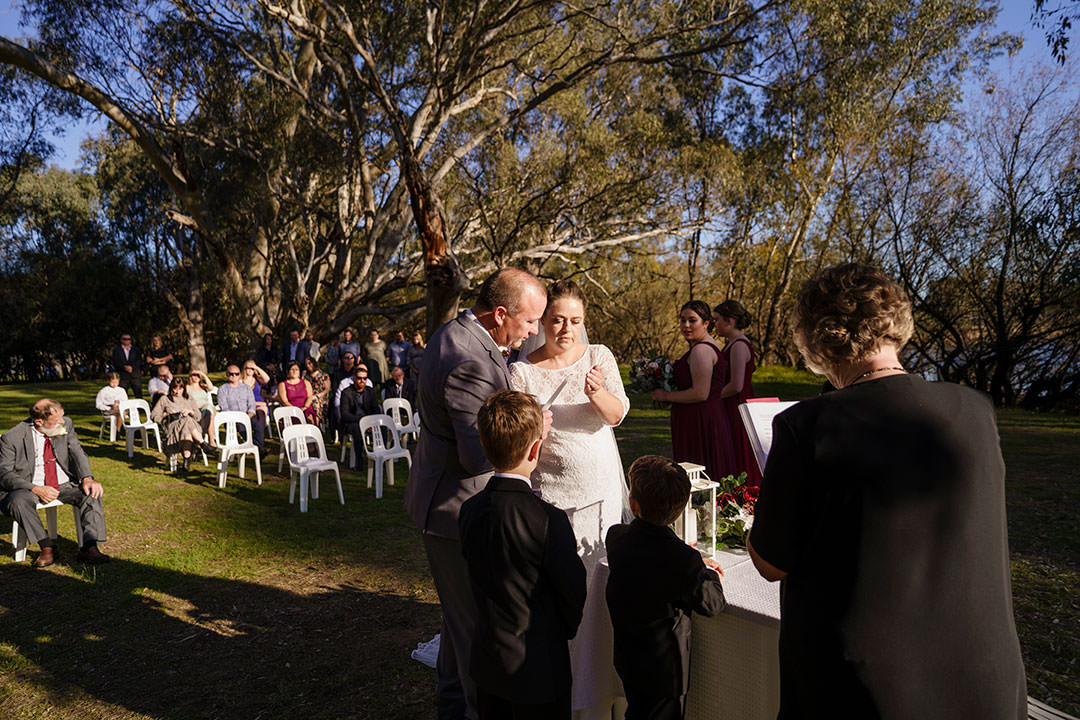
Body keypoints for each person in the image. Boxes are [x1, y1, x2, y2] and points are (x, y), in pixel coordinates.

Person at [747, 263, 1027, 718]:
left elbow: (770, 562)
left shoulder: (807, 424)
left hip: (863, 687)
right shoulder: (976, 410)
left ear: (817, 339)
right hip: (982, 677)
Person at [404, 267, 549, 720]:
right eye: (530, 321)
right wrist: (532, 430)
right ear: (500, 314)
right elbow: (477, 455)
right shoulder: (468, 358)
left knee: (457, 621)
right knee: (472, 629)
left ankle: (452, 706)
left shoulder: (458, 333)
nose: (533, 332)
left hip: (446, 500)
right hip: (456, 509)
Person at [508, 279, 630, 714]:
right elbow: (518, 438)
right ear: (542, 321)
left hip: (601, 489)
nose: (567, 329)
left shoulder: (599, 357)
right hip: (554, 493)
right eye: (558, 320)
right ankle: (571, 688)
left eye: (575, 321)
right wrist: (535, 428)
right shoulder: (522, 371)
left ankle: (607, 685)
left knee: (603, 583)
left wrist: (598, 394)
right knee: (565, 588)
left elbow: (617, 415)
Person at [459, 390, 587, 720]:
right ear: (535, 449)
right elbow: (572, 591)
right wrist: (562, 632)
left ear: (484, 445)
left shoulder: (469, 510)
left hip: (489, 664)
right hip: (540, 667)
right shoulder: (549, 520)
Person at [605, 455, 726, 720]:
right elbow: (712, 604)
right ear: (682, 508)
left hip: (629, 658)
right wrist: (706, 571)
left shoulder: (617, 538)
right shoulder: (682, 560)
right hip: (664, 672)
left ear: (633, 503)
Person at [0, 399, 110, 566]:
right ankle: (47, 546)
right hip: (30, 487)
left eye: (62, 416)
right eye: (56, 420)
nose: (62, 422)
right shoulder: (12, 437)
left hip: (64, 483)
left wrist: (87, 478)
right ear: (39, 422)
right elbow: (4, 473)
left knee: (91, 492)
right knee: (17, 501)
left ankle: (89, 547)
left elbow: (77, 451)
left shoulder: (66, 424)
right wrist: (36, 489)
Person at [651, 301, 735, 485]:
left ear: (706, 323)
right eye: (682, 320)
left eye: (692, 320)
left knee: (700, 475)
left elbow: (700, 393)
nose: (686, 325)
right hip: (705, 417)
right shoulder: (706, 346)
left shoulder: (701, 350)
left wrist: (664, 396)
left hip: (700, 421)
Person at [712, 299, 762, 487]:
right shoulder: (732, 343)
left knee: (739, 449)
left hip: (737, 406)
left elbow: (736, 385)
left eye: (717, 320)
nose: (715, 324)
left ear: (730, 321)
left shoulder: (739, 345)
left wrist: (712, 398)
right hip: (731, 405)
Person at [152, 378, 211, 471]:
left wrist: (190, 411)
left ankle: (186, 463)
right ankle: (202, 443)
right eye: (175, 388)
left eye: (180, 389)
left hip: (190, 429)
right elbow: (154, 416)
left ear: (184, 389)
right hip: (173, 430)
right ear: (171, 388)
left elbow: (198, 416)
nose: (177, 391)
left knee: (186, 424)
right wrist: (166, 414)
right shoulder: (165, 399)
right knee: (187, 421)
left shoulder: (189, 398)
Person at [339, 364, 380, 471]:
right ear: (354, 378)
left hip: (368, 421)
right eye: (359, 378)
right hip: (352, 422)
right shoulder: (346, 393)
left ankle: (381, 456)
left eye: (365, 378)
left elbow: (376, 409)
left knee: (382, 427)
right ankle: (359, 461)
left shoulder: (370, 392)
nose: (362, 381)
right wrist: (363, 422)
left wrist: (370, 423)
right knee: (357, 429)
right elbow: (345, 414)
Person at [217, 364, 263, 451]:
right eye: (231, 374)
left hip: (247, 415)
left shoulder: (246, 388)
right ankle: (258, 448)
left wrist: (250, 414)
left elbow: (251, 403)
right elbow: (224, 407)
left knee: (258, 425)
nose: (234, 376)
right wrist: (238, 418)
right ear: (227, 374)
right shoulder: (222, 389)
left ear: (240, 375)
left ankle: (258, 446)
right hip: (232, 418)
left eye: (236, 374)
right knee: (242, 427)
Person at [185, 371, 217, 442]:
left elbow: (211, 388)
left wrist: (203, 375)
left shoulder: (203, 386)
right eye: (194, 375)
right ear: (190, 376)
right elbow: (186, 400)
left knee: (209, 409)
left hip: (206, 408)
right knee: (210, 413)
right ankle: (211, 440)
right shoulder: (187, 387)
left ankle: (206, 438)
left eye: (198, 375)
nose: (196, 377)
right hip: (195, 410)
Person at [241, 361, 271, 435]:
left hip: (259, 403)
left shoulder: (257, 379)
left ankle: (259, 435)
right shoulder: (241, 381)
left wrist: (257, 367)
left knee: (262, 411)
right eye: (248, 368)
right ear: (244, 369)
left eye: (252, 368)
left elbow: (267, 379)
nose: (250, 370)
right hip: (247, 404)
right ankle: (256, 435)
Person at [111, 332, 142, 399]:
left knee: (138, 394)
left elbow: (139, 361)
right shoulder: (116, 350)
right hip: (123, 376)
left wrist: (132, 367)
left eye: (128, 339)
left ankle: (140, 406)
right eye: (124, 339)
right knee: (122, 395)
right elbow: (115, 362)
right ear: (121, 340)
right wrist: (124, 367)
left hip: (135, 375)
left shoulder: (136, 350)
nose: (127, 340)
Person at [303, 355, 331, 429]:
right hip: (309, 396)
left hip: (321, 397)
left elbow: (327, 389)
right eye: (306, 364)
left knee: (315, 403)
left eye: (309, 363)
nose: (308, 366)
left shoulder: (324, 375)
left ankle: (317, 424)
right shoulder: (306, 376)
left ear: (314, 363)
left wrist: (317, 396)